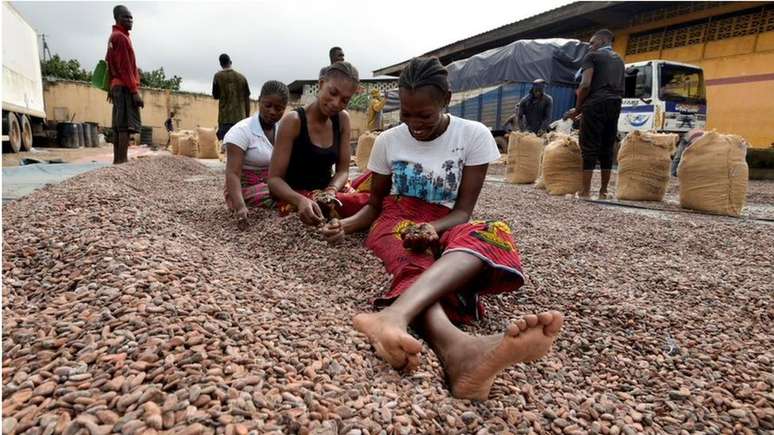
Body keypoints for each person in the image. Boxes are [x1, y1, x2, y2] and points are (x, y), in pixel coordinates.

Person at [320, 58, 564, 400]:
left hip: (448, 219)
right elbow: (375, 206)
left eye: (425, 115)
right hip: (396, 216)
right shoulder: (388, 141)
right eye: (406, 114)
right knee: (414, 255)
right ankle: (459, 349)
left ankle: (393, 317)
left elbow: (464, 210)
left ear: (446, 99)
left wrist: (434, 228)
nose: (414, 124)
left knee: (492, 231)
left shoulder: (473, 135)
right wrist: (343, 226)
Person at [267, 62, 370, 225]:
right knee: (320, 209)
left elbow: (343, 171)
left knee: (373, 200)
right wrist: (300, 201)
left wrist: (331, 190)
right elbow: (274, 180)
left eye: (344, 100)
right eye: (333, 92)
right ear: (321, 84)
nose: (336, 103)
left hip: (328, 192)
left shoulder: (342, 119)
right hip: (295, 194)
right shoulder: (293, 121)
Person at [223, 81, 289, 229]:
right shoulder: (241, 131)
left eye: (278, 108)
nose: (272, 112)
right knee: (285, 198)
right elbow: (232, 173)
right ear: (259, 101)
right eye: (268, 105)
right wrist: (240, 207)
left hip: (272, 182)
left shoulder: (283, 130)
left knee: (298, 191)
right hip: (243, 187)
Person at [573, 29, 625, 199]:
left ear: (602, 41)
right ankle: (603, 191)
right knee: (607, 147)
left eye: (592, 42)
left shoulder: (592, 57)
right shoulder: (620, 60)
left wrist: (578, 108)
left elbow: (585, 84)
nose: (590, 46)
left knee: (589, 146)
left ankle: (585, 191)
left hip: (595, 103)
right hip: (615, 103)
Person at [106, 5, 142, 164]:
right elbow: (125, 67)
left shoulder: (114, 37)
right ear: (117, 18)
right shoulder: (120, 37)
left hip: (117, 85)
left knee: (118, 125)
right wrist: (134, 91)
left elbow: (108, 63)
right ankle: (122, 161)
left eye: (131, 17)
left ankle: (117, 160)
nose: (130, 20)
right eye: (126, 17)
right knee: (124, 126)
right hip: (124, 86)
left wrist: (110, 87)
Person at [212, 54, 251, 141]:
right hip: (241, 118)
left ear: (221, 64)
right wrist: (247, 117)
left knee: (224, 146)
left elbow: (215, 96)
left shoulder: (217, 76)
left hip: (225, 119)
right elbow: (247, 99)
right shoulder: (242, 77)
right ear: (230, 62)